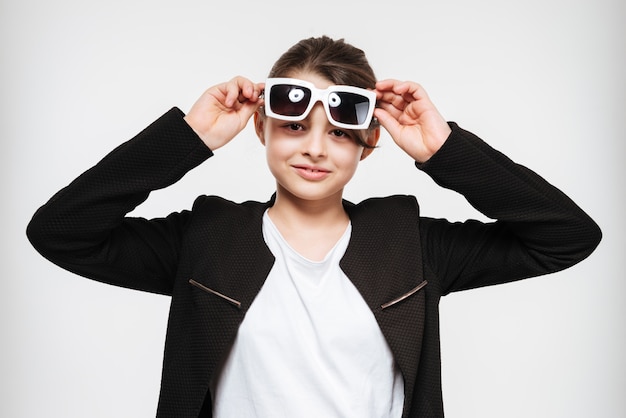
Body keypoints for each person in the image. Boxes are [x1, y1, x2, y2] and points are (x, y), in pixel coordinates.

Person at [26, 36, 601, 418]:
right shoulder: (205, 239)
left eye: (341, 133)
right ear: (262, 131)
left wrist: (444, 149)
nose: (316, 149)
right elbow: (60, 231)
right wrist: (187, 137)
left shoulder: (412, 244)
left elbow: (567, 236)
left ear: (366, 148)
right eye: (295, 126)